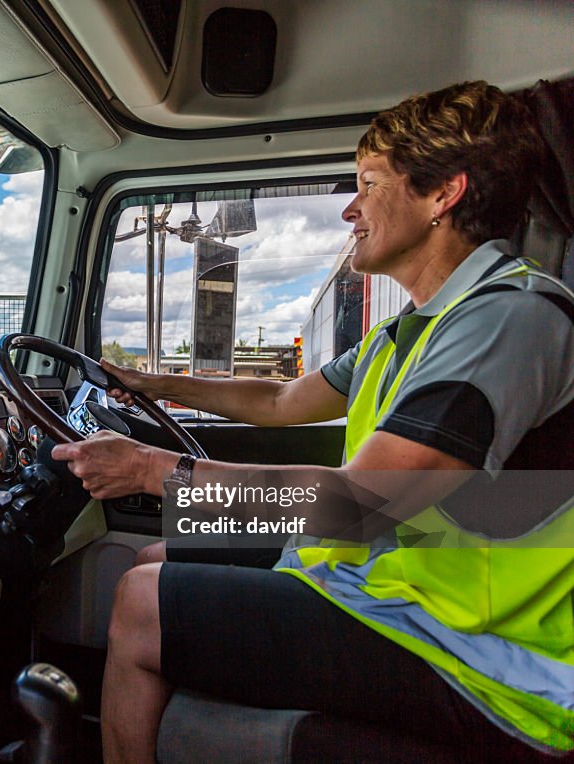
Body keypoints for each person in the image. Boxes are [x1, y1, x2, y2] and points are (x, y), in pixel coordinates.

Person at [52, 81, 574, 763]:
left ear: (443, 194)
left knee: (143, 599)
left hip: (484, 650)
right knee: (161, 556)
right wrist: (151, 381)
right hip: (399, 583)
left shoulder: (505, 320)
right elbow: (279, 401)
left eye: (368, 185)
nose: (350, 211)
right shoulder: (408, 332)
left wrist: (154, 471)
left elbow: (360, 507)